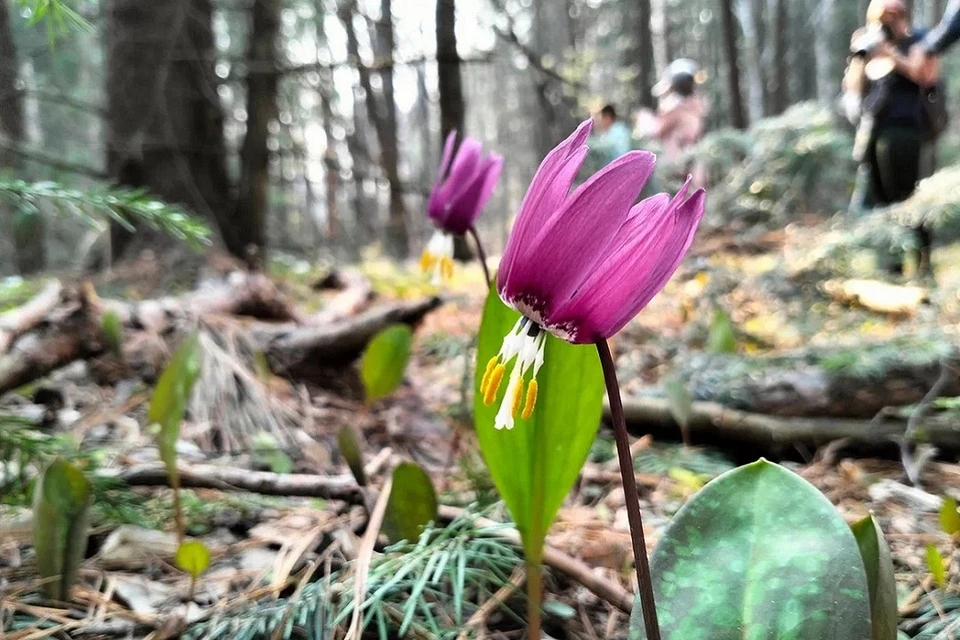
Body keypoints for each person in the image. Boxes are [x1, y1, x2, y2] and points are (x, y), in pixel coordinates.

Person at [843, 0, 941, 272]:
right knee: (880, 200)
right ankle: (891, 266)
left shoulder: (919, 40)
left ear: (905, 16)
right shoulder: (870, 43)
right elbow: (853, 88)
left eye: (895, 15)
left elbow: (925, 75)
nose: (889, 21)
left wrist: (891, 52)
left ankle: (923, 262)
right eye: (883, 16)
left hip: (905, 128)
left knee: (909, 197)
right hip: (874, 127)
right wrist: (859, 55)